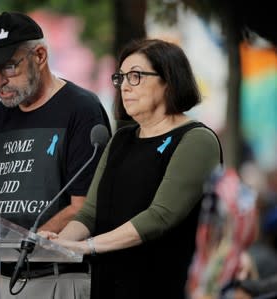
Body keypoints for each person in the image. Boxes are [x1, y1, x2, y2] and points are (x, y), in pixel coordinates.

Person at [40, 38, 223, 299]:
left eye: (135, 76)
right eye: (121, 78)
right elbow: (90, 214)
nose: (124, 87)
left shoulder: (196, 139)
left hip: (163, 285)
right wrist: (60, 245)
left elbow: (159, 217)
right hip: (108, 284)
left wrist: (84, 247)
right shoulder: (120, 140)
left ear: (168, 80)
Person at [0, 11, 111, 299]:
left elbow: (83, 207)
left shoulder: (81, 109)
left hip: (54, 277)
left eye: (8, 67)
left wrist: (25, 246)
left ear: (41, 56)